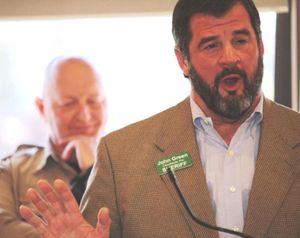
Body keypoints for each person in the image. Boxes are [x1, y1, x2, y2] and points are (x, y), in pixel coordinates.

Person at [20, 0, 300, 238]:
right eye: (211, 46)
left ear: (261, 46)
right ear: (183, 60)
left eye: (240, 40)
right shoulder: (120, 157)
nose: (230, 57)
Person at [0, 56, 107, 238]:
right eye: (69, 104)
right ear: (42, 109)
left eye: (93, 101)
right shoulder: (12, 172)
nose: (84, 115)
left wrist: (93, 171)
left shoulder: (128, 168)